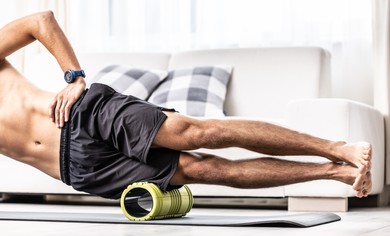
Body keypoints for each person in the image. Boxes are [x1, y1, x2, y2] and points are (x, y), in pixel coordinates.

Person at [0, 11, 372, 200]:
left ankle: (340, 149)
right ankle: (335, 173)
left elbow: (40, 20)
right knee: (206, 171)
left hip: (83, 117)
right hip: (80, 170)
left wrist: (74, 77)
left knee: (198, 133)